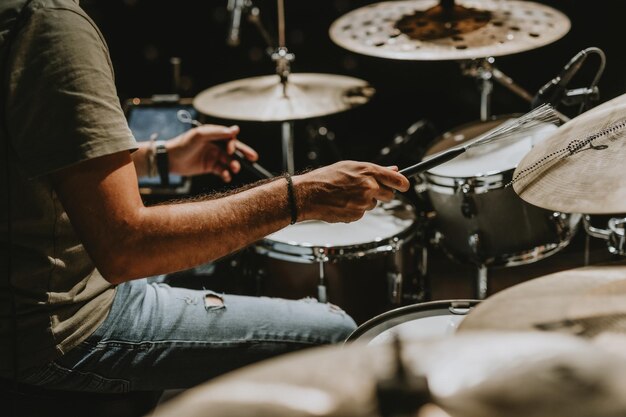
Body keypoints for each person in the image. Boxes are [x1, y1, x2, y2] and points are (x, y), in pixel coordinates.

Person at [0, 0, 410, 393]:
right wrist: (302, 196)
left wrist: (162, 158)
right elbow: (127, 248)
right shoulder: (49, 22)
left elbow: (35, 167)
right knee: (334, 332)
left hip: (26, 298)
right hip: (56, 331)